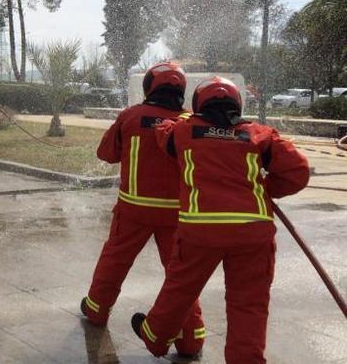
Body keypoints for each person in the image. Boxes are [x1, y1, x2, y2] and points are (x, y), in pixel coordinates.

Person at [132, 76, 310, 363]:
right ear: (237, 104)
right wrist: (265, 190)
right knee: (249, 305)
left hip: (201, 230)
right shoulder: (259, 135)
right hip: (253, 232)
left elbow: (163, 131)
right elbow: (299, 171)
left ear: (198, 104)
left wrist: (186, 118)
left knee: (180, 289)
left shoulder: (184, 133)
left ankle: (155, 337)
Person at [79, 61, 205, 358]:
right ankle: (191, 338)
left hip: (133, 209)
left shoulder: (131, 116)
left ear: (150, 86)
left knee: (115, 261)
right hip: (177, 214)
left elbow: (105, 153)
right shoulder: (190, 123)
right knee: (180, 277)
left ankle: (96, 310)